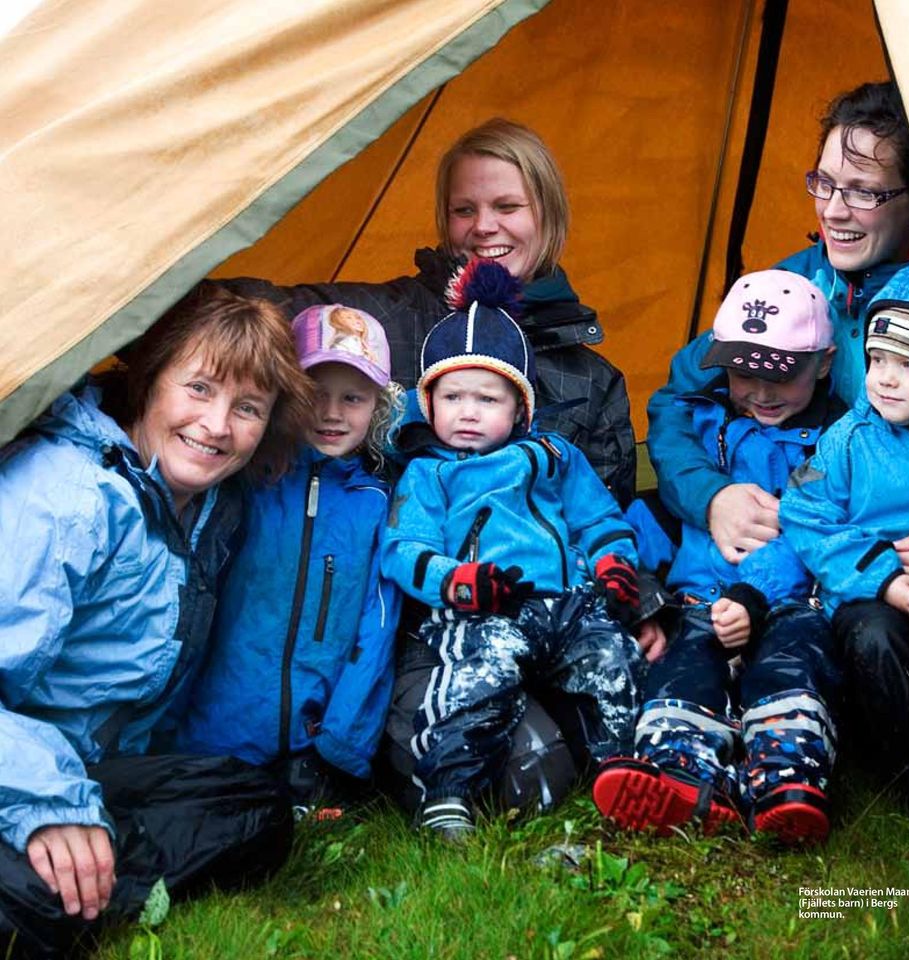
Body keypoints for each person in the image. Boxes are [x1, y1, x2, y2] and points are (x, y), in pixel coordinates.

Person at [220, 117, 638, 811]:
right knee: (508, 771)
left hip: (549, 611)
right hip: (418, 611)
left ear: (549, 215)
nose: (485, 227)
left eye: (507, 207)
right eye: (464, 209)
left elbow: (603, 511)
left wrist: (625, 591)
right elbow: (276, 306)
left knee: (581, 723)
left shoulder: (592, 379)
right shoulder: (396, 317)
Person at [0, 283, 315, 959]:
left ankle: (77, 886)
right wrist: (50, 803)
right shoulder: (69, 495)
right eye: (199, 388)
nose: (217, 426)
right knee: (27, 902)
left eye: (248, 408)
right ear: (149, 378)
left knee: (255, 810)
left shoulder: (209, 507)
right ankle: (57, 889)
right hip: (18, 769)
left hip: (91, 771)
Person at [380, 261, 669, 841]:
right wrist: (458, 581)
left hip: (567, 602)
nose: (467, 411)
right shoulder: (428, 473)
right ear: (428, 402)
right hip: (486, 602)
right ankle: (448, 793)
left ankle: (625, 768)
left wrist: (613, 564)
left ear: (520, 409)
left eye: (487, 398)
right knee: (477, 680)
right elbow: (402, 549)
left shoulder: (555, 457)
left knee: (614, 664)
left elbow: (599, 519)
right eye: (452, 395)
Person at [647, 81, 909, 565]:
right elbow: (677, 398)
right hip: (798, 559)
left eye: (864, 192)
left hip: (905, 568)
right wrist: (710, 496)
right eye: (824, 183)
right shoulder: (790, 287)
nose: (833, 209)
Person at [596, 271, 843, 845]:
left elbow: (814, 533)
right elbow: (660, 519)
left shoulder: (834, 442)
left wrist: (754, 592)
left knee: (790, 671)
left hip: (789, 603)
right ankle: (682, 771)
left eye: (780, 374)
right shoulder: (707, 429)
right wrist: (637, 588)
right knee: (683, 672)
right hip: (699, 602)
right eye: (741, 372)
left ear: (825, 363)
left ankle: (786, 776)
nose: (759, 390)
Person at [175, 304, 403, 804]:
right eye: (315, 394)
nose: (331, 413)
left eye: (354, 398)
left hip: (312, 743)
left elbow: (376, 625)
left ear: (379, 407)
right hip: (213, 731)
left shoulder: (376, 505)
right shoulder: (246, 482)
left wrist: (342, 744)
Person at [781, 260, 909, 817]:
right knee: (877, 641)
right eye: (878, 359)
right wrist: (881, 577)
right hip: (871, 598)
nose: (884, 377)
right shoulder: (849, 440)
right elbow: (804, 512)